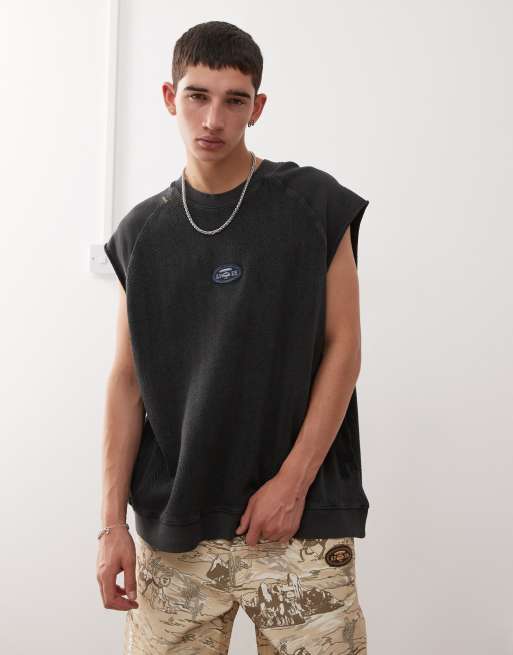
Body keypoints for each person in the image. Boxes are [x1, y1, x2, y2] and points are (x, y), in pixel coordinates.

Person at [97, 19, 370, 655]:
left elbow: (345, 348)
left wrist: (293, 483)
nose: (213, 119)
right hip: (175, 529)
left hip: (298, 524)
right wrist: (111, 525)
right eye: (197, 96)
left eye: (234, 100)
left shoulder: (313, 205)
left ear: (258, 106)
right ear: (171, 97)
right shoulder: (141, 234)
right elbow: (126, 381)